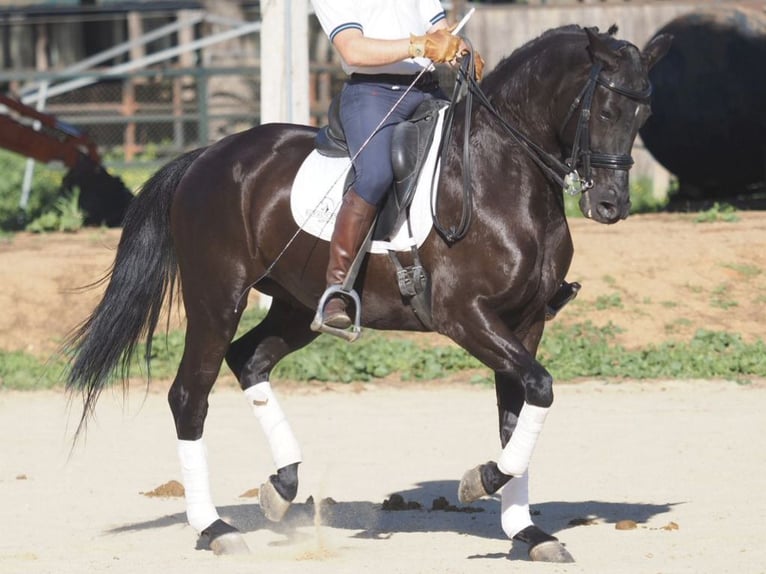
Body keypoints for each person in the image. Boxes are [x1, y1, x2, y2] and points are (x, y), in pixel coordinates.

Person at [311, 0, 482, 331]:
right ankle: (337, 289)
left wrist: (456, 48)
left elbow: (438, 30)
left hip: (428, 88)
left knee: (477, 152)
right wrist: (418, 45)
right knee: (375, 174)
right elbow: (353, 50)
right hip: (373, 94)